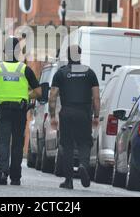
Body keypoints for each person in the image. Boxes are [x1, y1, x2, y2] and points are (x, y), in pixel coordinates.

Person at [0, 37, 41, 186]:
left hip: (2, 111)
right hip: (19, 111)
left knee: (3, 142)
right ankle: (15, 176)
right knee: (17, 144)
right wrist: (25, 96)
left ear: (4, 52)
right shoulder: (25, 69)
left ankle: (3, 172)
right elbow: (39, 92)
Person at [49, 45, 100, 190]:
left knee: (67, 145)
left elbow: (53, 96)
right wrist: (96, 115)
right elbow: (96, 97)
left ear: (68, 56)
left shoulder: (61, 73)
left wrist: (52, 116)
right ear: (80, 55)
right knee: (84, 142)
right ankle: (83, 164)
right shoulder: (89, 73)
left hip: (66, 113)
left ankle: (69, 180)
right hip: (84, 113)